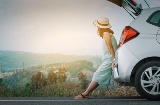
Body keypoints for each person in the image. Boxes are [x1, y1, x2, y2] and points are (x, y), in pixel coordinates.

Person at [74, 17, 117, 99]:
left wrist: (114, 60)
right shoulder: (107, 33)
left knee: (97, 75)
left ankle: (85, 94)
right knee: (98, 76)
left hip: (110, 59)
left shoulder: (106, 34)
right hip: (109, 59)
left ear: (100, 26)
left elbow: (110, 47)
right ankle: (86, 93)